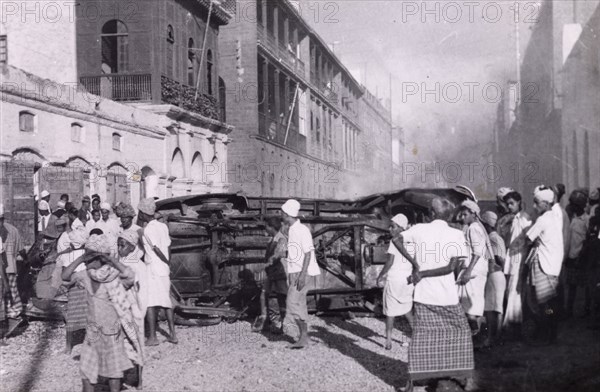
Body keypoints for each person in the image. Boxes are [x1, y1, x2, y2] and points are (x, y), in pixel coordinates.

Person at [395, 198, 474, 392]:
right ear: (449, 215)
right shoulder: (456, 234)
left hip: (423, 294)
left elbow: (396, 239)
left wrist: (416, 267)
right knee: (460, 334)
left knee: (422, 337)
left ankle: (411, 384)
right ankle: (458, 377)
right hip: (446, 295)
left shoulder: (418, 229)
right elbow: (451, 267)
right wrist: (420, 270)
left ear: (430, 213)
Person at [63, 234, 144, 392]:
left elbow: (130, 275)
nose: (87, 261)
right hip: (93, 332)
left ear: (101, 259)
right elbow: (65, 276)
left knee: (113, 373)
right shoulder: (86, 275)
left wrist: (109, 259)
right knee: (87, 372)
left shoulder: (114, 277)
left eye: (90, 258)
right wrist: (81, 259)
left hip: (112, 332)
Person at [525, 186, 564, 344]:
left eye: (537, 203)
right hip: (553, 264)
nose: (535, 206)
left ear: (546, 203)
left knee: (543, 303)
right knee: (550, 303)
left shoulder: (543, 219)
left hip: (544, 264)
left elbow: (528, 238)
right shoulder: (555, 216)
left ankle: (545, 334)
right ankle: (550, 333)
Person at [281, 199, 320, 349]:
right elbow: (296, 253)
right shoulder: (292, 229)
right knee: (300, 304)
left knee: (291, 303)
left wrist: (303, 275)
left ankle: (303, 337)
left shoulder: (302, 230)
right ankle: (305, 338)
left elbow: (308, 253)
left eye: (283, 212)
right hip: (295, 271)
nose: (281, 214)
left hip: (301, 272)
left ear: (288, 214)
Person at [137, 198, 177, 345]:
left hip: (153, 268)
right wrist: (168, 263)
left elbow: (156, 249)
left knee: (150, 303)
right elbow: (168, 247)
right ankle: (173, 334)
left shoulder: (148, 230)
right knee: (166, 301)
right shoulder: (162, 226)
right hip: (164, 269)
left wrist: (164, 261)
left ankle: (153, 337)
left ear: (142, 213)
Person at [376, 213, 415, 350]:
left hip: (394, 280)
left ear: (400, 227)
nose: (390, 229)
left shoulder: (394, 241)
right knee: (407, 309)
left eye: (392, 227)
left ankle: (388, 341)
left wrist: (380, 275)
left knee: (390, 312)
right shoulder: (413, 240)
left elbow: (390, 262)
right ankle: (414, 337)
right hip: (407, 280)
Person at [456, 200, 489, 335]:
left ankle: (475, 332)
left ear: (473, 214)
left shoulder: (473, 228)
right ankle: (476, 332)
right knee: (470, 305)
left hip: (473, 269)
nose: (462, 217)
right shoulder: (475, 227)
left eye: (465, 214)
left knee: (467, 306)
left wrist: (468, 271)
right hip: (475, 269)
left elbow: (477, 252)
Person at [502, 191, 532, 333]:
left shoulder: (525, 219)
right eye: (507, 204)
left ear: (519, 202)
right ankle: (512, 323)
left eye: (512, 203)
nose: (509, 206)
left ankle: (513, 323)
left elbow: (529, 239)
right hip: (513, 257)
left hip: (520, 258)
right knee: (511, 289)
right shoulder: (515, 218)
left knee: (516, 289)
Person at [253, 217, 288, 333]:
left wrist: (263, 266)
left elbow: (276, 257)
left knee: (281, 299)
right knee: (263, 295)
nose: (265, 229)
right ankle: (265, 320)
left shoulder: (281, 240)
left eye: (266, 226)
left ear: (272, 227)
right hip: (271, 273)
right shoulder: (271, 240)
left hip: (280, 274)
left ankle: (283, 325)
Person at [59, 223, 88, 353]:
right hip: (86, 288)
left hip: (74, 290)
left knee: (72, 316)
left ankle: (68, 346)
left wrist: (72, 281)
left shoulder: (68, 257)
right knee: (88, 314)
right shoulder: (87, 255)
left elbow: (64, 277)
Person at [481, 211, 507, 347]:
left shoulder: (492, 238)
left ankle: (492, 338)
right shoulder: (496, 237)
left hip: (495, 276)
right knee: (496, 308)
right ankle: (495, 337)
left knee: (492, 309)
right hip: (497, 276)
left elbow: (500, 260)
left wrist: (492, 267)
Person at [0, 205, 26, 338]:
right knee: (11, 292)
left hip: (5, 268)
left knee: (7, 294)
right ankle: (13, 315)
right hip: (11, 266)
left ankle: (10, 319)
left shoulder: (10, 230)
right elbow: (21, 250)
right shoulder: (14, 230)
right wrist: (25, 260)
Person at [565, 190, 589, 318]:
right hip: (571, 256)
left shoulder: (586, 220)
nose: (572, 206)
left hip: (580, 258)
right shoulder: (573, 219)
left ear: (579, 205)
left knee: (585, 286)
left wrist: (581, 257)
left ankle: (587, 311)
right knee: (571, 286)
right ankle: (569, 311)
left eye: (574, 204)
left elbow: (587, 241)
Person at [118, 230, 148, 319]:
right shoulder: (123, 262)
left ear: (132, 247)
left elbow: (141, 294)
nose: (119, 249)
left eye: (122, 246)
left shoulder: (137, 265)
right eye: (118, 245)